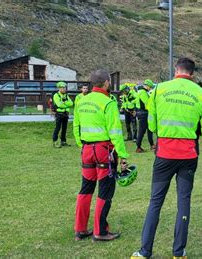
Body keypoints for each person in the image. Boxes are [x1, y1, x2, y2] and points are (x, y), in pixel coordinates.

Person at [131, 58, 202, 259]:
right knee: (183, 202)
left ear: (176, 70)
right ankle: (178, 252)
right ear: (192, 74)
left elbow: (151, 125)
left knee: (155, 201)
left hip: (165, 154)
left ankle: (144, 252)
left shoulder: (159, 89)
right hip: (188, 155)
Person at [73, 69, 129, 242]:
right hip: (104, 151)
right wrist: (123, 155)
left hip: (87, 151)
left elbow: (76, 126)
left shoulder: (82, 101)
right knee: (105, 191)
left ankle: (80, 229)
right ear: (106, 83)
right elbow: (115, 132)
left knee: (86, 190)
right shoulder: (108, 103)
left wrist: (82, 145)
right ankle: (101, 231)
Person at [135, 79, 155, 153]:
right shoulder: (143, 92)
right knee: (142, 131)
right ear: (147, 86)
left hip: (142, 113)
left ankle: (152, 144)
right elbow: (147, 104)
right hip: (143, 114)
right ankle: (138, 147)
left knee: (149, 129)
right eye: (150, 87)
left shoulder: (141, 92)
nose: (150, 89)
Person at [52, 81, 73, 148]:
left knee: (64, 128)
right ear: (59, 88)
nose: (65, 89)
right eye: (63, 88)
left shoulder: (66, 95)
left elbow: (71, 103)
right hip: (59, 114)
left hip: (65, 114)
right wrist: (66, 104)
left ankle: (63, 141)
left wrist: (64, 103)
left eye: (65, 88)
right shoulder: (56, 95)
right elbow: (59, 104)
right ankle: (55, 142)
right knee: (57, 128)